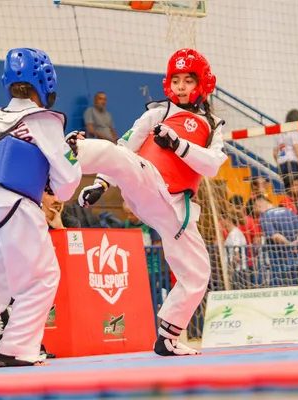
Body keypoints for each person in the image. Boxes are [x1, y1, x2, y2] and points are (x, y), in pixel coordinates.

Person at [72, 48, 225, 356]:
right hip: (148, 181)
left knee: (197, 275)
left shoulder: (213, 124)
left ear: (202, 84)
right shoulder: (159, 113)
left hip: (175, 210)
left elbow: (212, 164)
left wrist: (178, 145)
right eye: (177, 80)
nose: (181, 86)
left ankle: (168, 337)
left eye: (188, 80)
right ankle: (74, 148)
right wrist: (101, 183)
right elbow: (126, 143)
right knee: (123, 158)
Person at [0, 47, 81, 367]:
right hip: (12, 202)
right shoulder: (42, 119)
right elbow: (66, 184)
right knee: (43, 277)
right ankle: (17, 348)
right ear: (46, 81)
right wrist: (72, 153)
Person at [273, 109, 298, 187]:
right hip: (291, 163)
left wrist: (279, 166)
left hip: (282, 164)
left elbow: (275, 153)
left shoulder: (279, 130)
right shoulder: (293, 130)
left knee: (288, 189)